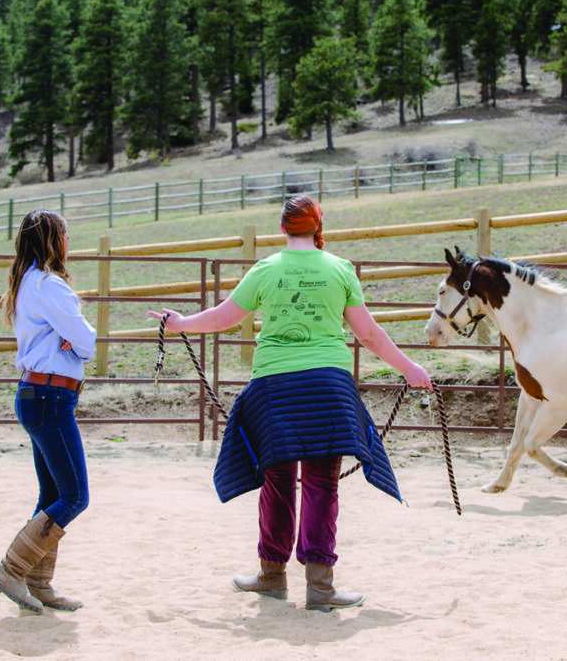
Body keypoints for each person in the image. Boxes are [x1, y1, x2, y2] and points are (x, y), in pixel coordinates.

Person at [149, 194, 431, 612]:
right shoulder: (340, 269)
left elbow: (225, 318)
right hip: (329, 389)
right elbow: (368, 334)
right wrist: (409, 368)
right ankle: (320, 590)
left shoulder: (266, 270)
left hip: (275, 390)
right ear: (319, 227)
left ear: (282, 228)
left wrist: (180, 325)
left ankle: (271, 577)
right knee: (322, 486)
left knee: (277, 484)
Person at [0, 209, 96, 614]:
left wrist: (71, 339)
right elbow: (85, 340)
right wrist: (76, 340)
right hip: (50, 396)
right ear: (56, 241)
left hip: (37, 394)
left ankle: (38, 581)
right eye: (65, 236)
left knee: (53, 493)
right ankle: (11, 569)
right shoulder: (49, 285)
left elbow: (76, 338)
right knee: (75, 496)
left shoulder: (26, 282)